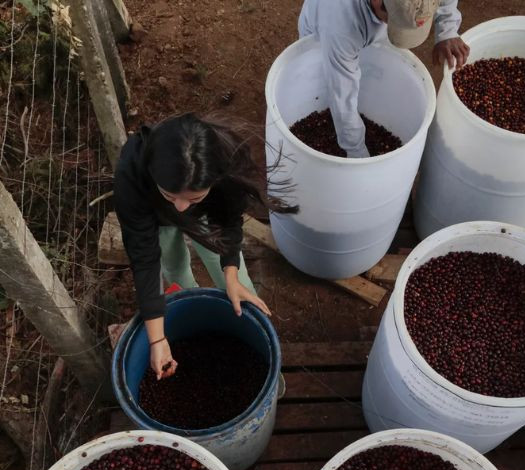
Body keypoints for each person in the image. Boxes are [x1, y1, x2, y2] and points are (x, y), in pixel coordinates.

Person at [113, 113, 297, 380]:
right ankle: (199, 315)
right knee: (173, 264)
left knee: (230, 274)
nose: (180, 206)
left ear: (216, 179)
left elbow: (229, 221)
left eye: (193, 197)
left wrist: (231, 274)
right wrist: (157, 341)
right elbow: (144, 258)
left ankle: (251, 341)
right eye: (169, 195)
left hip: (207, 216)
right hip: (155, 219)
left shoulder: (224, 161)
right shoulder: (131, 177)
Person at [298, 0, 470, 158]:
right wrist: (357, 152)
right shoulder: (339, 23)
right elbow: (342, 94)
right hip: (328, 33)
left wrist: (447, 30)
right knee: (320, 84)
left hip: (363, 24)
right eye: (391, 20)